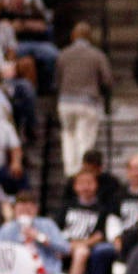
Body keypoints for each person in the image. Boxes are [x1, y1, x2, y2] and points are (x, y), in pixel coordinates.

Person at [54, 21, 112, 176]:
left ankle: (70, 172)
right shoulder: (97, 54)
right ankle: (83, 172)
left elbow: (57, 80)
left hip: (65, 102)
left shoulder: (63, 54)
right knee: (85, 139)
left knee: (68, 137)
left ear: (73, 36)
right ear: (90, 37)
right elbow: (107, 79)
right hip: (87, 102)